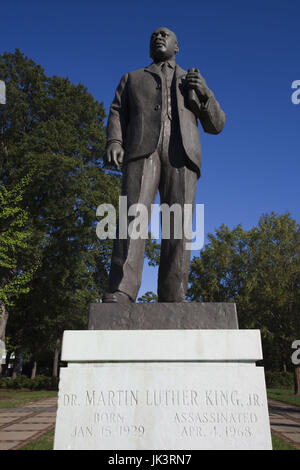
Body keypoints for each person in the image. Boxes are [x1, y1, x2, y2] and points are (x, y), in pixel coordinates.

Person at [103, 27, 225, 303]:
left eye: (165, 34)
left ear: (176, 46)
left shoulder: (191, 79)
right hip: (141, 151)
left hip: (182, 153)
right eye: (154, 35)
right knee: (132, 216)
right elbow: (117, 111)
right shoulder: (132, 78)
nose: (158, 37)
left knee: (178, 223)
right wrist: (114, 141)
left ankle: (173, 292)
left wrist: (205, 93)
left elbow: (216, 125)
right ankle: (121, 289)